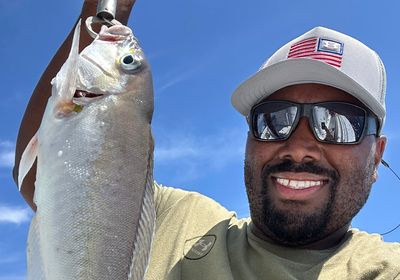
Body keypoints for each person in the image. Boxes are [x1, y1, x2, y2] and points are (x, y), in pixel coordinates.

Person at [13, 1, 400, 279]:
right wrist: (99, 12)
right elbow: (51, 178)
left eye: (338, 123)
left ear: (377, 153)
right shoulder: (179, 218)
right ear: (249, 138)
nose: (299, 146)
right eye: (273, 120)